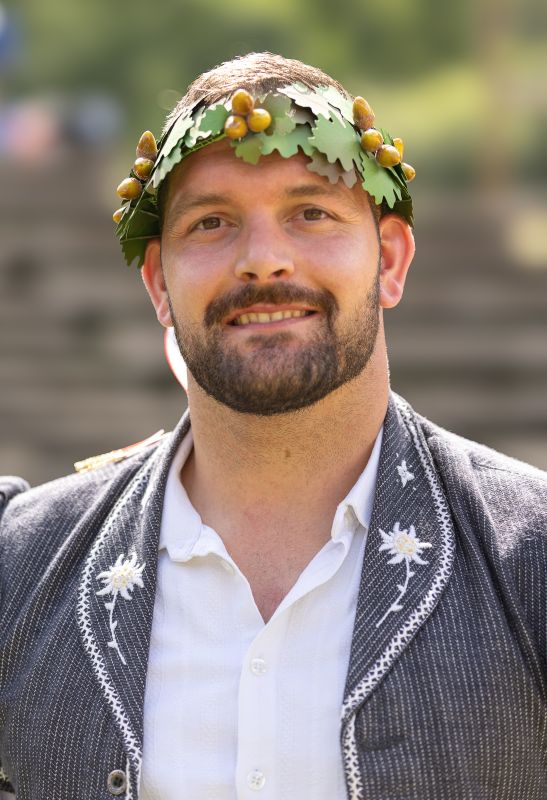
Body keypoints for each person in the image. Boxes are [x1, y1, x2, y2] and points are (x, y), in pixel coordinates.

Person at [0, 52, 545, 800]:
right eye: (212, 222)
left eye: (311, 213)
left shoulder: (530, 558)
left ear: (389, 260)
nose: (262, 260)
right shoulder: (18, 568)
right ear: (158, 285)